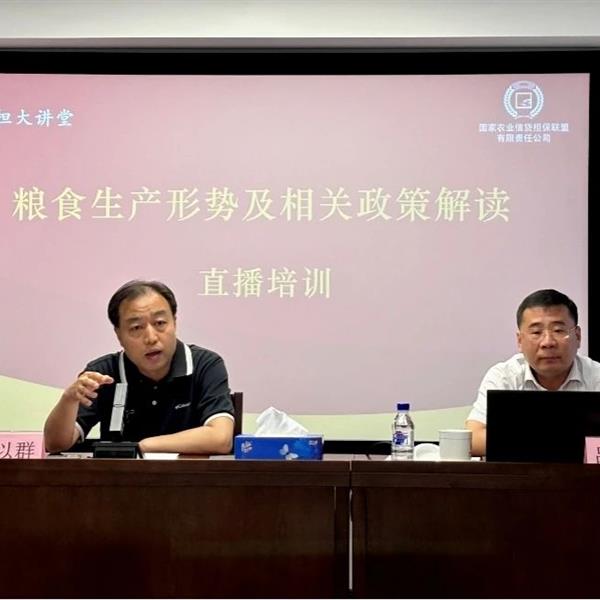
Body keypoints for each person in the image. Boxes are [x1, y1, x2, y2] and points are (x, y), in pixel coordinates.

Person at [44, 280, 234, 454]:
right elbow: (55, 444)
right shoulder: (103, 373)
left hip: (189, 478)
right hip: (121, 479)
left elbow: (220, 438)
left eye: (160, 323)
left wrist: (141, 447)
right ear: (118, 334)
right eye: (136, 327)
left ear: (174, 323)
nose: (151, 338)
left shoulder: (205, 365)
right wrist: (68, 400)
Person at [466, 289, 600, 456]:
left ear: (578, 336)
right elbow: (472, 439)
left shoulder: (597, 376)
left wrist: (526, 439)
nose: (548, 342)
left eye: (558, 330)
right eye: (536, 332)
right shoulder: (504, 376)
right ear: (520, 341)